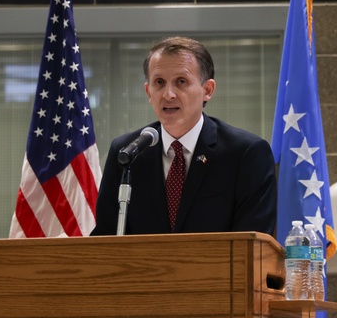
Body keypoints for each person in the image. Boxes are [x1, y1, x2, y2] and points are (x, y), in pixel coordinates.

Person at [92, 36, 277, 236]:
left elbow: (252, 246)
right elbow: (105, 237)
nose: (168, 94)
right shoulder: (128, 153)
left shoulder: (245, 154)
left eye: (181, 81)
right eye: (159, 82)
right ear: (148, 92)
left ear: (207, 90)